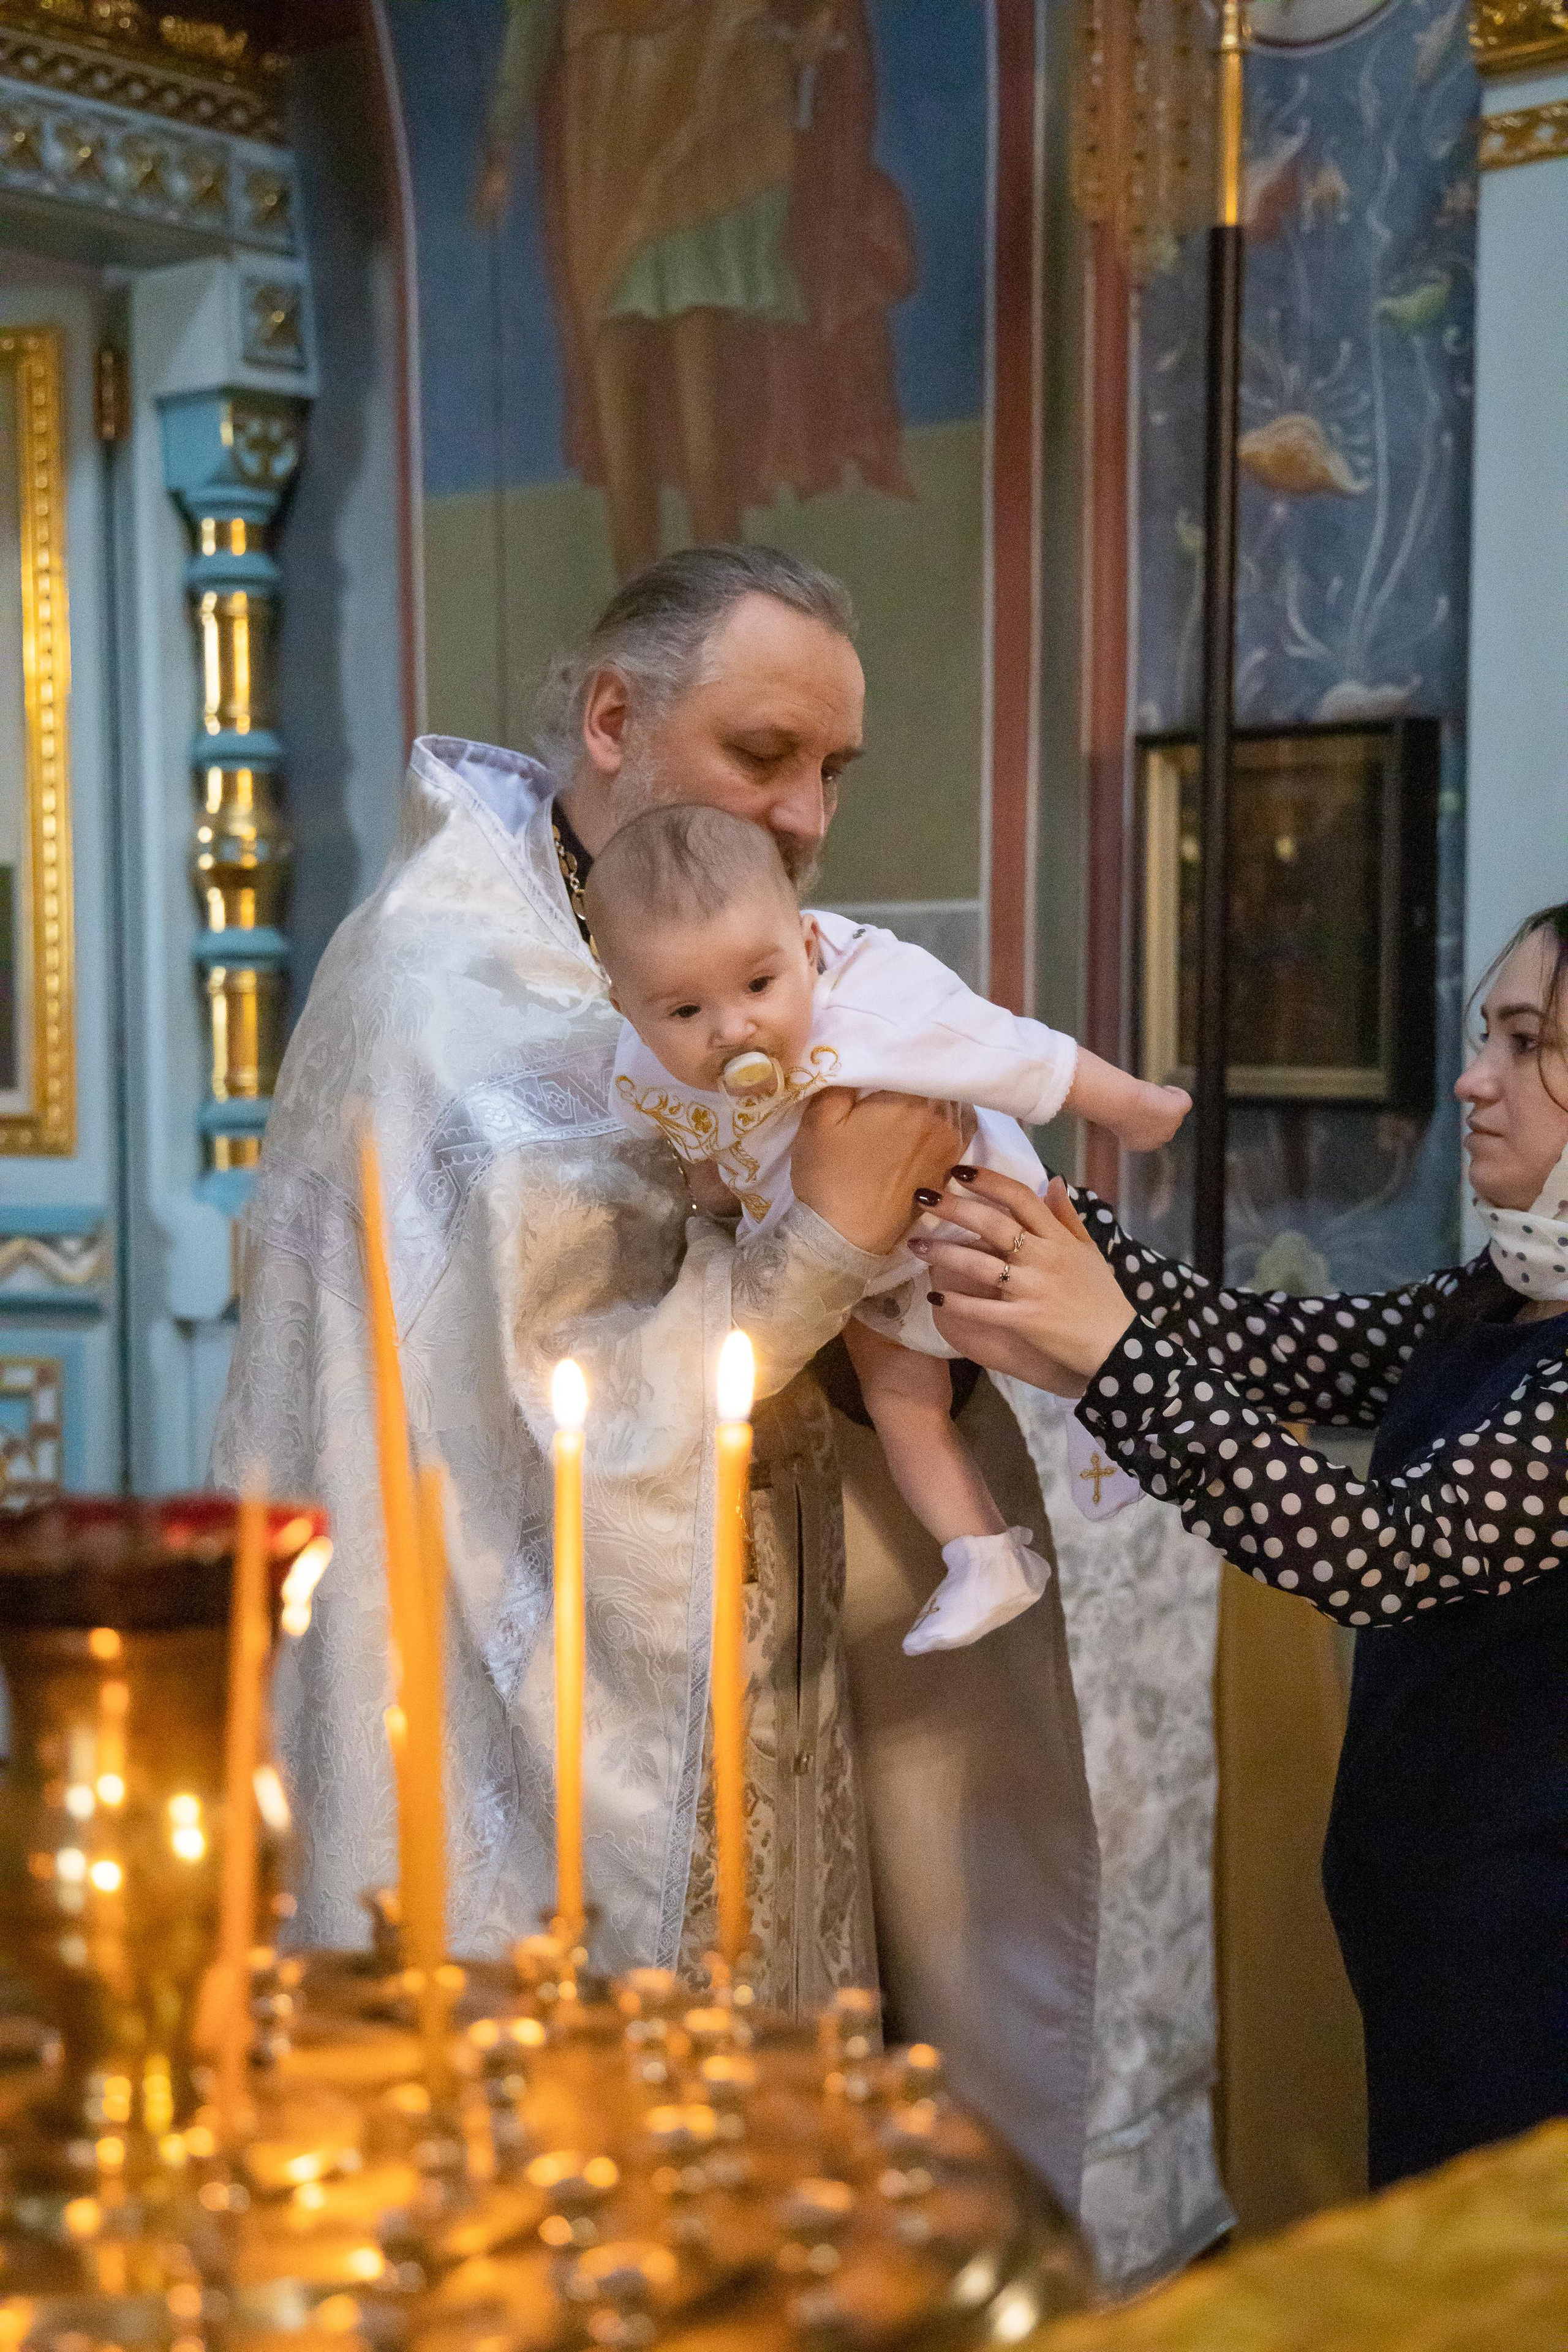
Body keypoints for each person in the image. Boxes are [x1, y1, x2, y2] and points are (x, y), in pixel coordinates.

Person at [211, 545, 1111, 2216]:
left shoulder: (726, 953)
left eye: (833, 769)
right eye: (764, 756)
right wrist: (825, 1242)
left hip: (759, 1682)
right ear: (613, 719)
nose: (809, 817)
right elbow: (545, 1446)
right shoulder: (449, 1001)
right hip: (544, 1746)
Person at [916, 902, 1568, 2188]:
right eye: (1482, 1033)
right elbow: (1268, 1348)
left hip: (1531, 1938)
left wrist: (1102, 1350)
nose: (1470, 1078)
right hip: (1431, 1904)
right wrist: (1037, 1210)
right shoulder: (1503, 1289)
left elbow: (1378, 1553)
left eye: (1524, 1039)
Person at [586, 801, 1189, 1653]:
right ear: (627, 1005)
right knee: (904, 1404)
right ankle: (982, 1555)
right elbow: (702, 1150)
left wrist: (1133, 1109)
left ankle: (1156, 1426)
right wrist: (718, 1189)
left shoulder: (870, 1001)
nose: (732, 1028)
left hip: (961, 1208)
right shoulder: (644, 1064)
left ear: (804, 945)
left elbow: (1010, 1052)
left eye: (759, 986)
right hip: (857, 1267)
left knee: (1040, 1345)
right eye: (684, 1013)